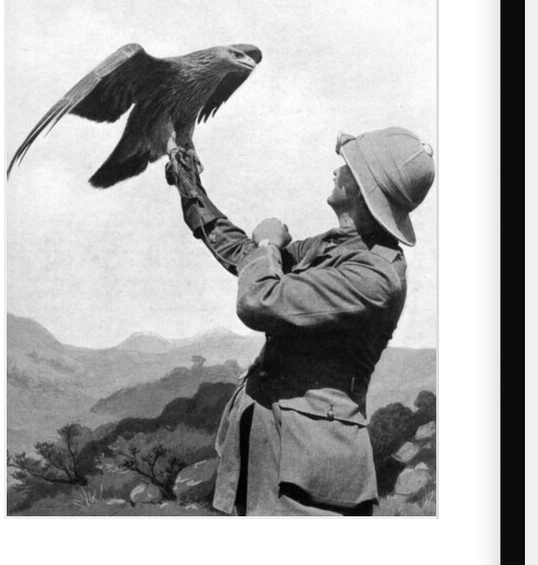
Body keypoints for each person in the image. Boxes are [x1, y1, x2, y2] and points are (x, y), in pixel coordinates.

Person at [167, 127, 435, 516]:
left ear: (363, 186)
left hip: (309, 475)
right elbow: (247, 258)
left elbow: (260, 299)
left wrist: (266, 246)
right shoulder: (338, 245)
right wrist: (188, 181)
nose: (337, 171)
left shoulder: (376, 277)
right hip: (268, 454)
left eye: (347, 167)